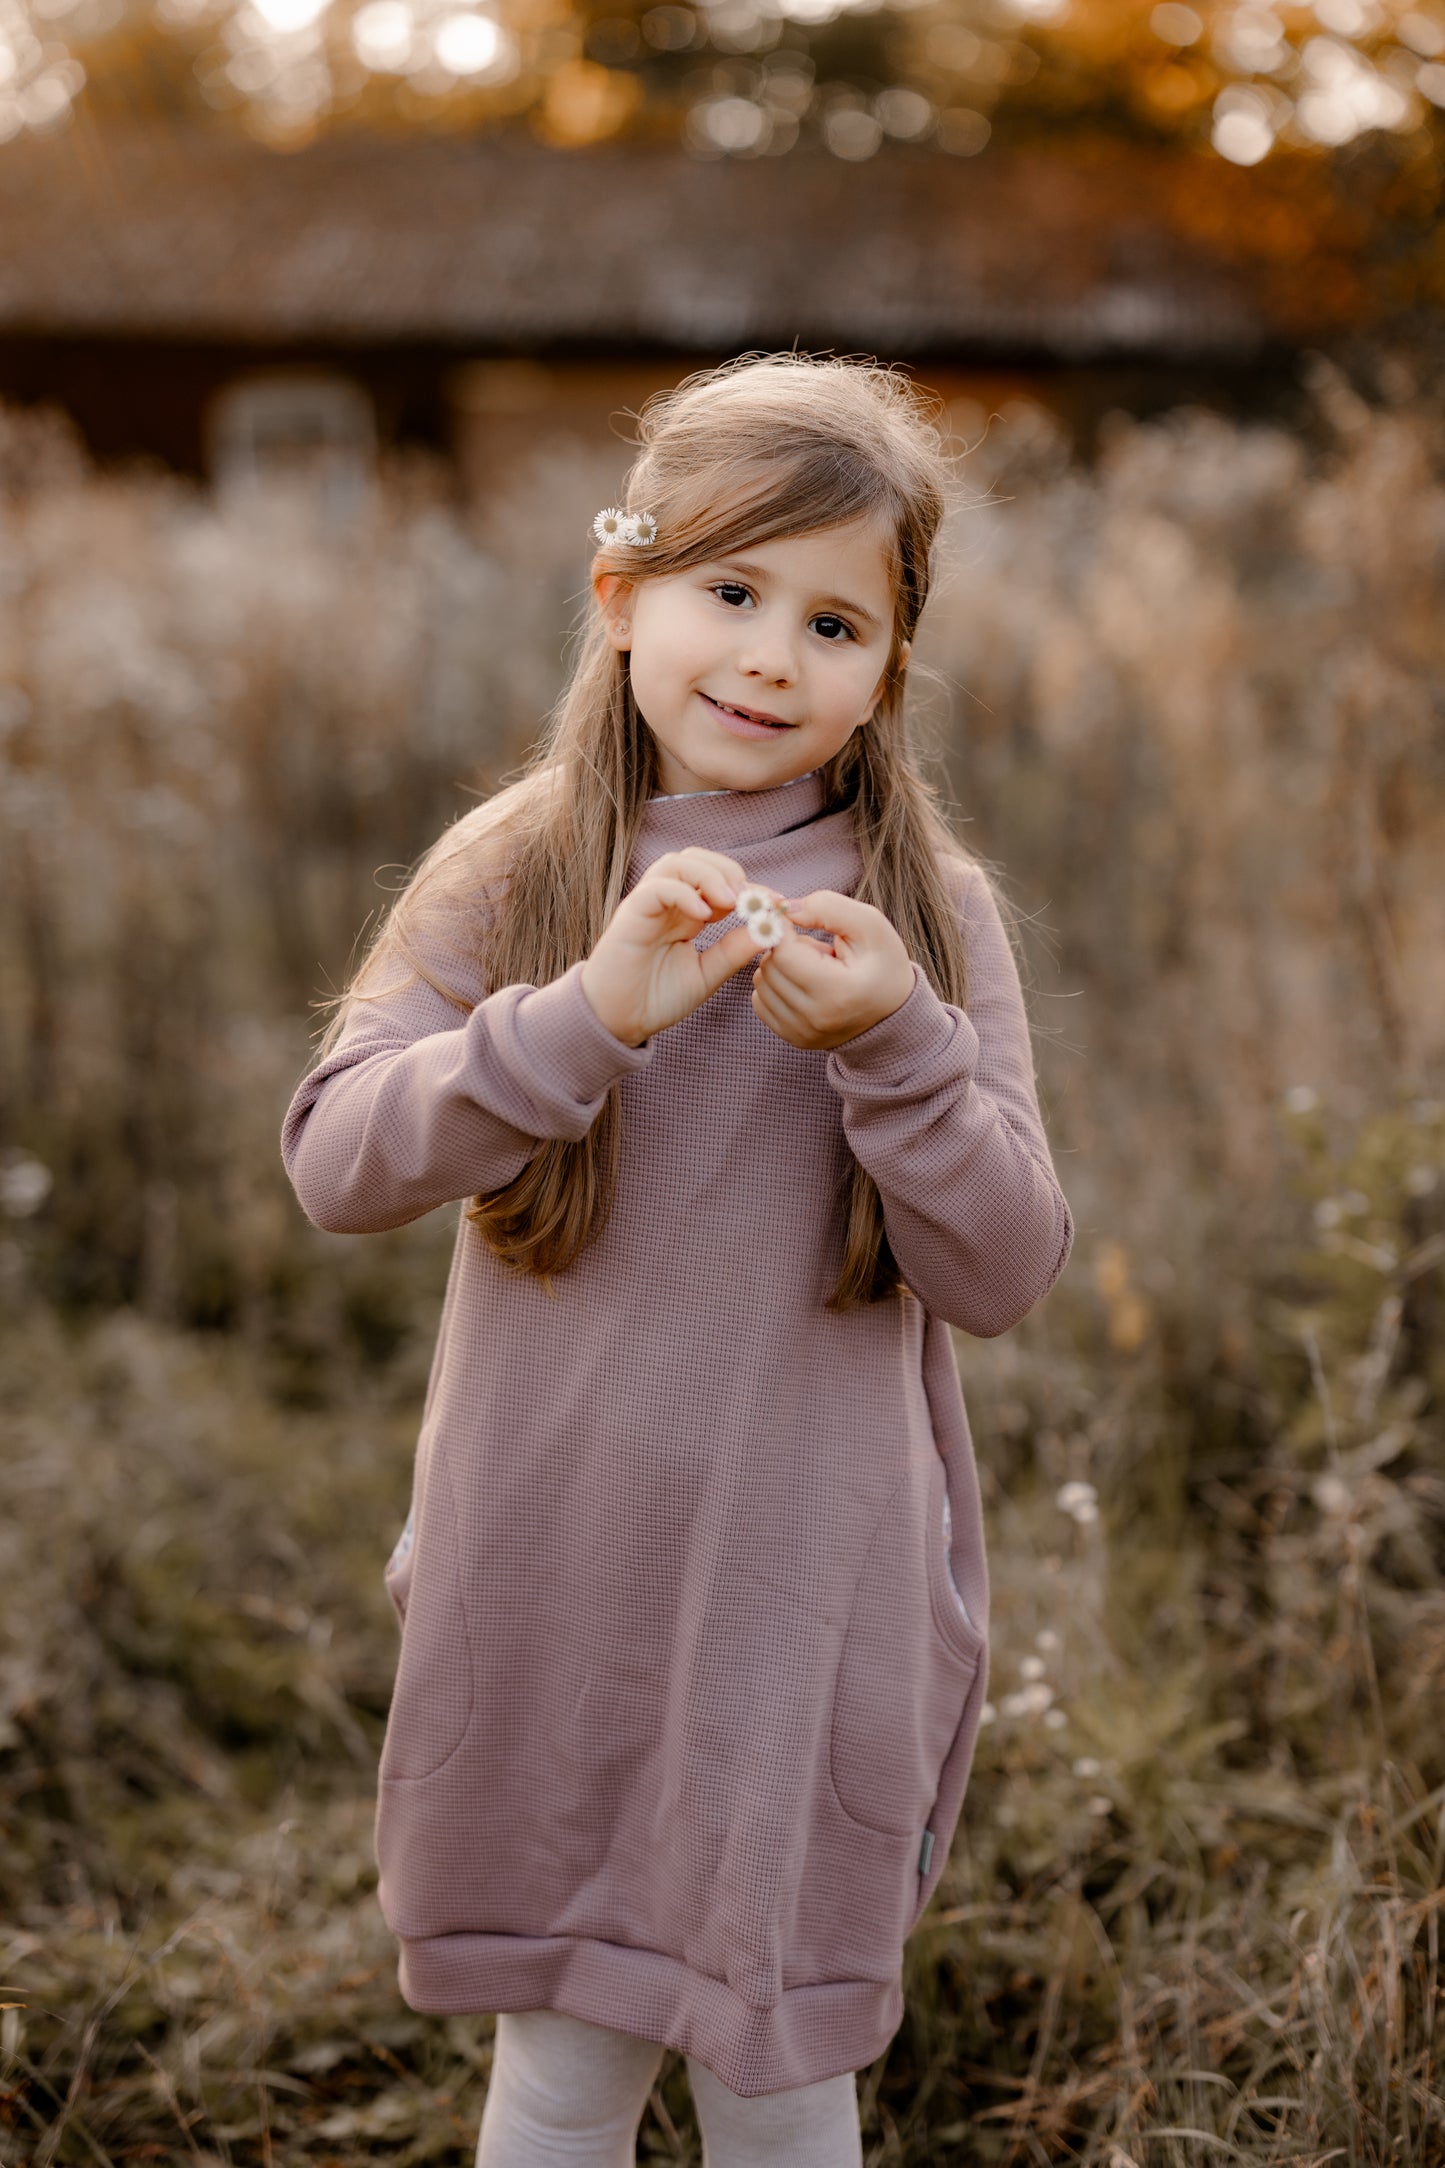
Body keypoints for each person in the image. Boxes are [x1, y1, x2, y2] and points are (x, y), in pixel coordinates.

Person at [280, 352, 1074, 2165]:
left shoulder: (920, 912)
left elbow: (1006, 1265)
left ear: (889, 667)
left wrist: (896, 1045)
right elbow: (334, 1160)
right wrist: (584, 1018)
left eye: (834, 622)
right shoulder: (519, 866)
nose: (771, 659)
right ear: (619, 595)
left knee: (778, 2077)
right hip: (555, 1570)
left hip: (801, 1599)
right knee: (558, 2065)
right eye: (730, 593)